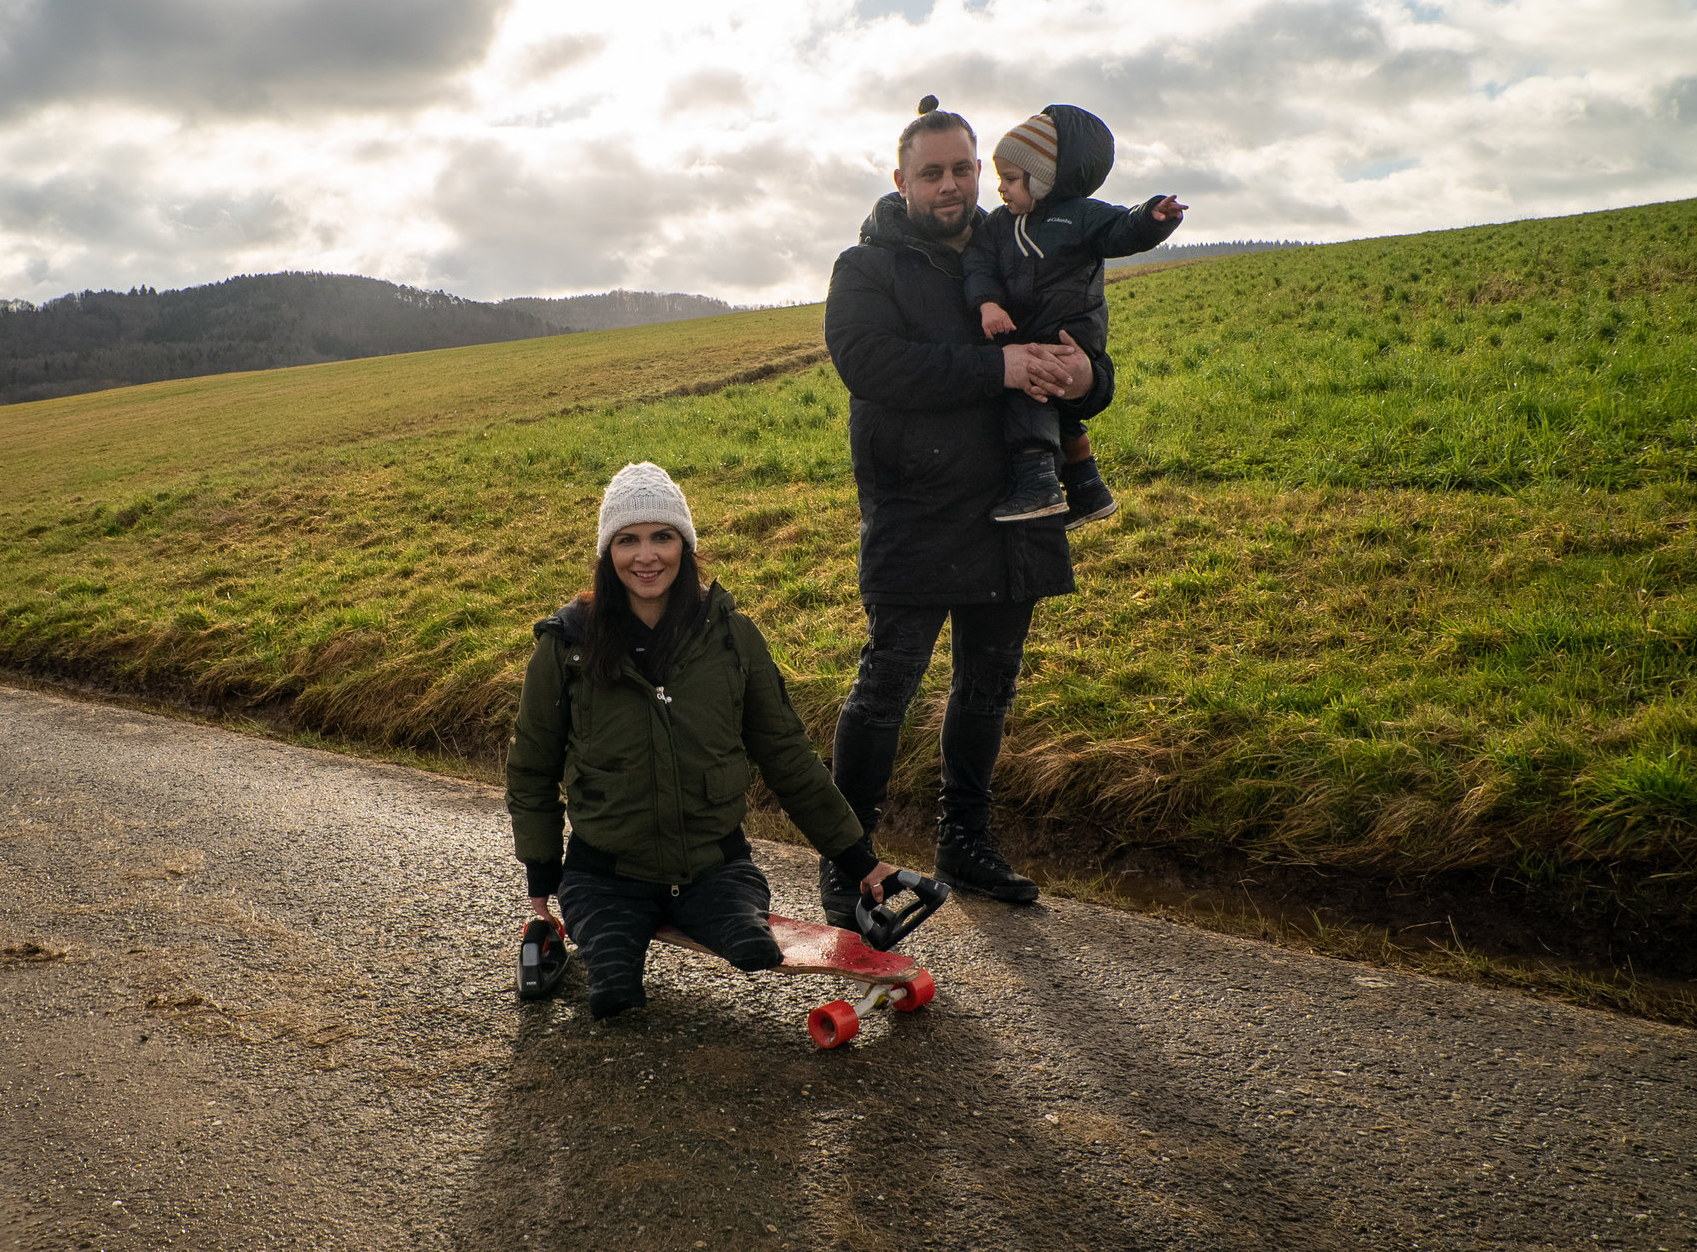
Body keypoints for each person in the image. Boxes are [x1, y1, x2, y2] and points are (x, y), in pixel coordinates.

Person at [816, 96, 1115, 927]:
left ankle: (965, 841)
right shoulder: (865, 267)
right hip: (916, 508)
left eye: (961, 169)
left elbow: (1090, 359)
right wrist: (1002, 371)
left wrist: (1083, 379)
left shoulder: (1023, 246)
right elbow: (869, 363)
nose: (948, 186)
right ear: (900, 178)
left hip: (1020, 505)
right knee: (887, 687)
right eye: (930, 172)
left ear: (979, 170)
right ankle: (849, 865)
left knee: (987, 688)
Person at [505, 461, 897, 1018]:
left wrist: (858, 858)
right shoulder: (566, 646)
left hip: (715, 868)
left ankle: (716, 913)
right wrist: (542, 880)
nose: (647, 557)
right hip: (604, 876)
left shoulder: (732, 637)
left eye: (663, 537)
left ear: (685, 547)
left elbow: (786, 754)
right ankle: (607, 947)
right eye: (628, 541)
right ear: (607, 553)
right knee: (613, 996)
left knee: (755, 953)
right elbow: (532, 768)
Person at [965, 105, 1186, 527]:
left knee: (1029, 392)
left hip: (1072, 333)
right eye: (999, 179)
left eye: (1011, 179)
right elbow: (978, 265)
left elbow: (1120, 228)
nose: (1001, 189)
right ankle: (1088, 490)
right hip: (1030, 331)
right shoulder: (995, 226)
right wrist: (987, 303)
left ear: (1042, 177)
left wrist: (1153, 217)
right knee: (1064, 414)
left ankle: (1038, 486)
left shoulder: (1079, 214)